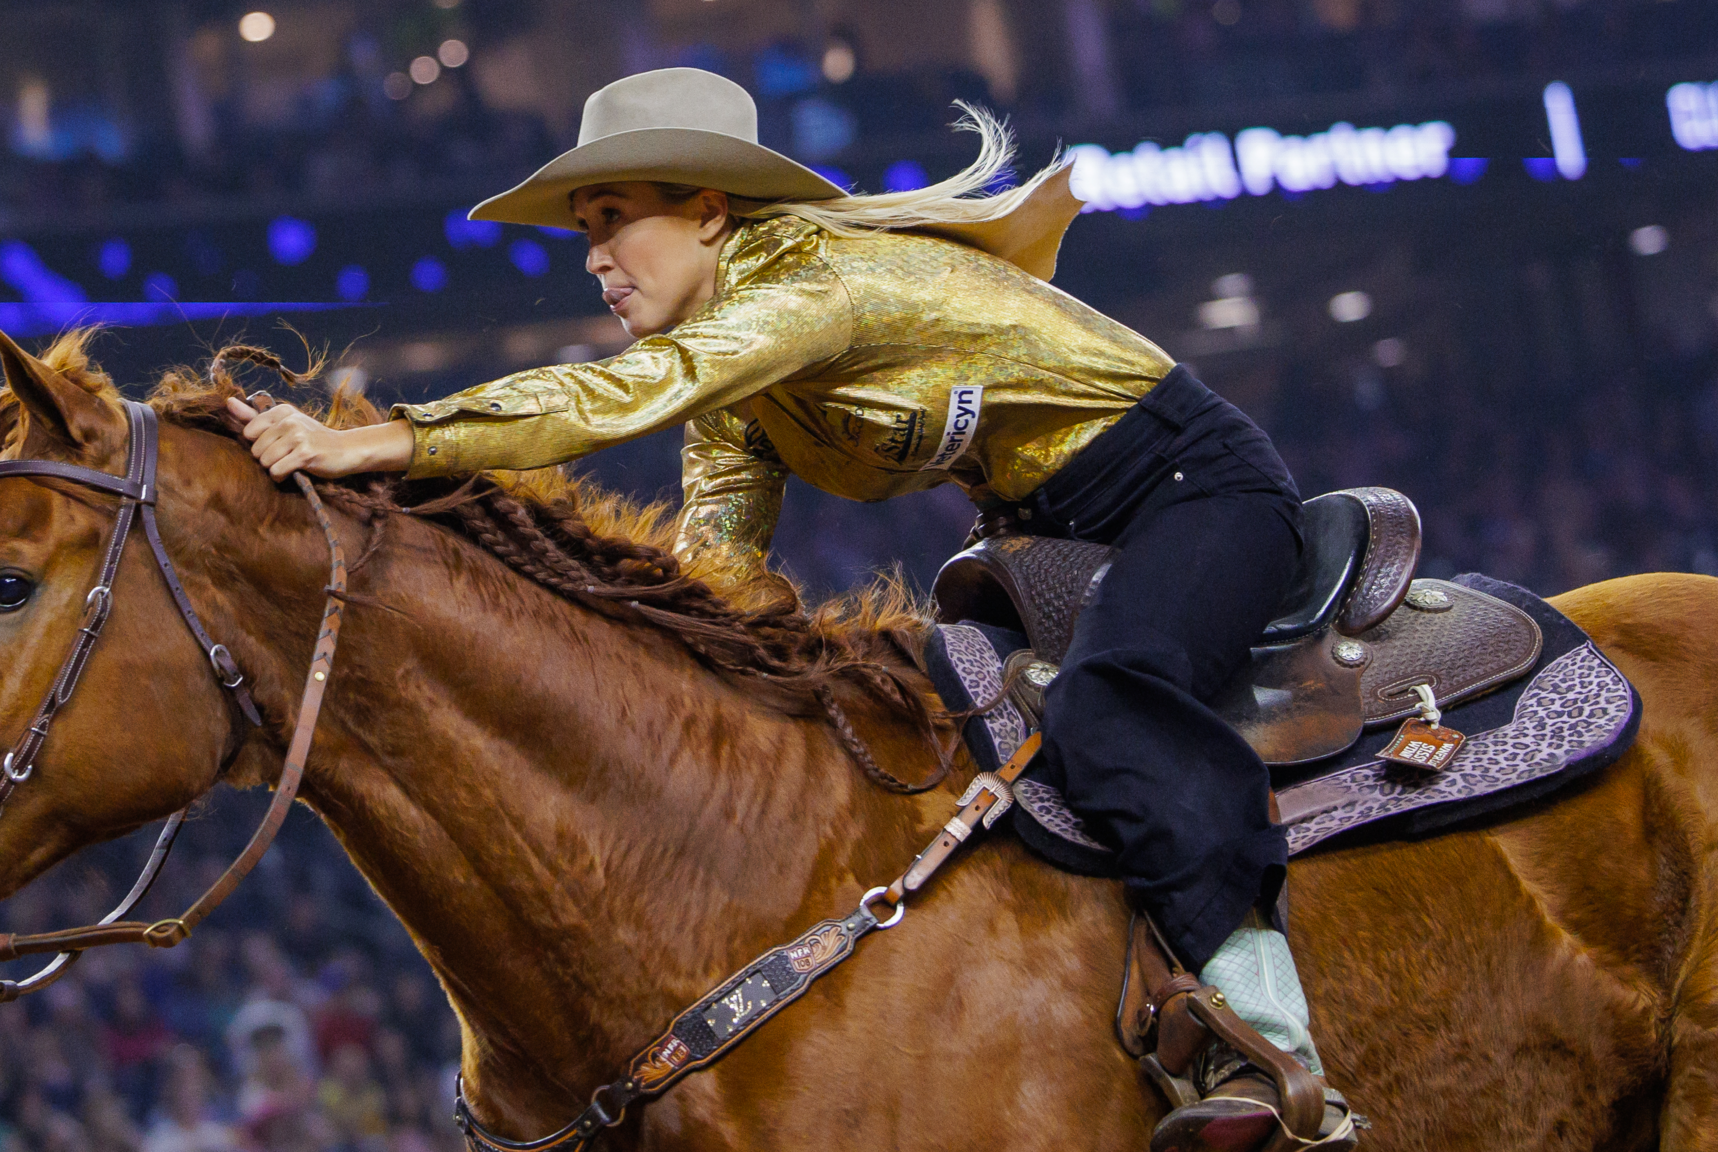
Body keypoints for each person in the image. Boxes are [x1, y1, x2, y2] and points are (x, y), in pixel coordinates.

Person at [227, 67, 1351, 1151]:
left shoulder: (815, 288)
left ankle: (1267, 1032)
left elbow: (625, 393)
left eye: (613, 218)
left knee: (1109, 699)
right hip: (1043, 532)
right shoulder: (740, 389)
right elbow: (713, 572)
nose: (596, 259)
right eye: (583, 233)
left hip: (1197, 492)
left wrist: (385, 438)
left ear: (710, 212)